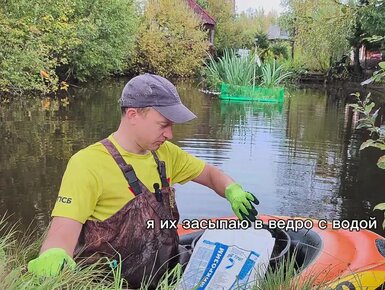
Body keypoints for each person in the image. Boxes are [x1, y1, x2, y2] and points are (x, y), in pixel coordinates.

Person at [27, 73, 259, 288]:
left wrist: (232, 190)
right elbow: (62, 232)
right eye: (163, 125)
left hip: (164, 275)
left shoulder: (166, 153)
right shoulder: (87, 164)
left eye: (172, 126)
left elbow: (210, 174)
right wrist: (54, 253)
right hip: (109, 283)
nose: (170, 134)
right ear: (133, 115)